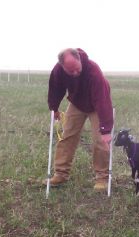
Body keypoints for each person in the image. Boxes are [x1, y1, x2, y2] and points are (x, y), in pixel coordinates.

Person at [46, 48, 114, 191]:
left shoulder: (93, 70)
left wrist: (106, 130)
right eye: (71, 72)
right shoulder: (58, 71)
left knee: (99, 140)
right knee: (67, 136)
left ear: (79, 59)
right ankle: (60, 174)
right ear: (62, 66)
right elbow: (55, 89)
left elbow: (102, 101)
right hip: (77, 103)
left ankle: (102, 178)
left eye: (77, 69)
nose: (75, 73)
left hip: (96, 105)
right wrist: (54, 108)